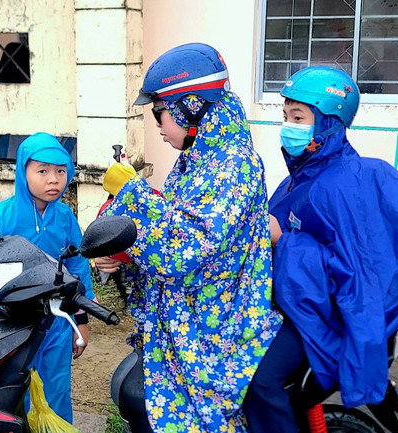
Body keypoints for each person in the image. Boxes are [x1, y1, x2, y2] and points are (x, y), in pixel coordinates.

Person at [95, 42, 282, 433]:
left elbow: (183, 248)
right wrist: (124, 256)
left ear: (190, 107)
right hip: (185, 328)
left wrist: (132, 193)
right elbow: (172, 222)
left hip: (210, 338)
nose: (158, 127)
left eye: (159, 113)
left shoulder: (234, 164)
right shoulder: (199, 158)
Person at [243, 66, 398, 432]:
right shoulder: (304, 175)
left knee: (260, 382)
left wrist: (284, 241)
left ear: (328, 123)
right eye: (286, 116)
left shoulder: (346, 185)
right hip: (293, 303)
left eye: (299, 118)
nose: (288, 126)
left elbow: (358, 274)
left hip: (327, 315)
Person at [0, 132, 94, 423]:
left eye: (61, 171)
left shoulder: (65, 217)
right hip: (8, 323)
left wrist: (81, 323)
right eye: (43, 171)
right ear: (23, 172)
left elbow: (78, 269)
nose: (54, 180)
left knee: (56, 389)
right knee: (8, 390)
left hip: (55, 322)